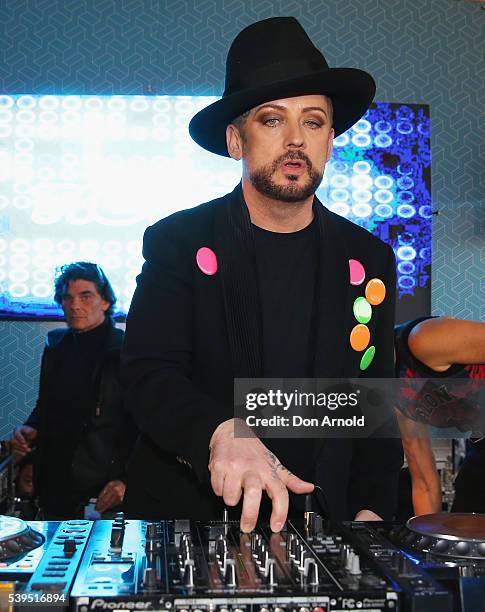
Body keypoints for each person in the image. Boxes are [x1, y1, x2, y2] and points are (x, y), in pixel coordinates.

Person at [122, 17, 403, 531]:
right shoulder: (179, 242)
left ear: (330, 141)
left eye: (314, 122)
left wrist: (374, 506)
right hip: (192, 519)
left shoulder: (369, 258)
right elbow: (148, 374)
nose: (296, 139)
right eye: (273, 121)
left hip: (328, 523)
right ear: (236, 140)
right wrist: (221, 433)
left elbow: (373, 400)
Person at [11, 262, 136, 519]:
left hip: (103, 488)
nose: (75, 305)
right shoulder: (56, 346)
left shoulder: (124, 350)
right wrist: (29, 429)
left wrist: (126, 479)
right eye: (67, 297)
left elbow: (141, 424)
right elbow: (44, 405)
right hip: (55, 484)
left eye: (86, 296)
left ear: (105, 301)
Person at [395, 316, 485, 514]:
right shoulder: (392, 396)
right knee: (463, 526)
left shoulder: (423, 339)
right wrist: (428, 541)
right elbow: (425, 484)